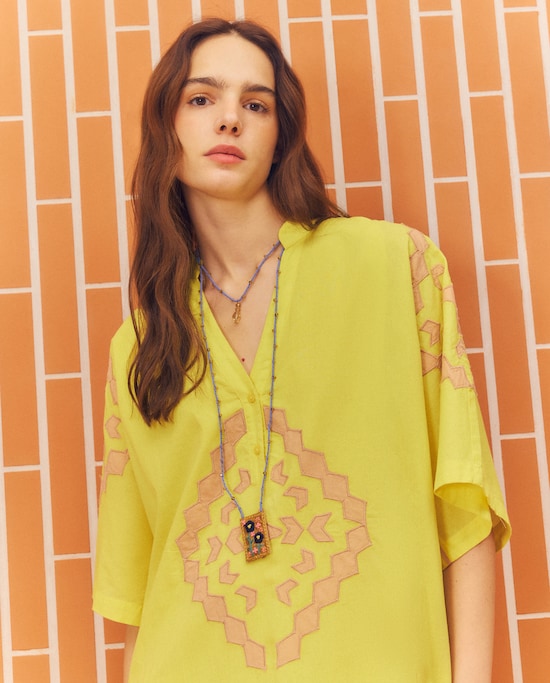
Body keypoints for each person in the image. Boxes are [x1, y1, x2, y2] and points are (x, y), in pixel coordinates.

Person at [92, 18, 510, 682]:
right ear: (164, 126)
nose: (230, 118)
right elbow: (137, 597)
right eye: (201, 98)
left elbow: (465, 510)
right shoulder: (140, 348)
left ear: (280, 134)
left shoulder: (396, 268)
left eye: (256, 104)